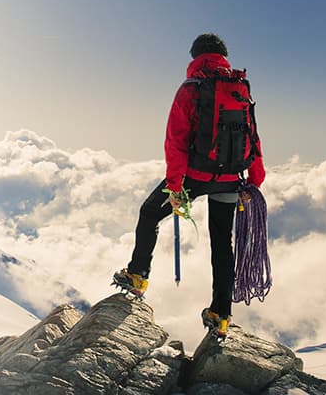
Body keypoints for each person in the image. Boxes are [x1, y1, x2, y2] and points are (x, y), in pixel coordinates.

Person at [112, 33, 266, 339]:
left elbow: (176, 141)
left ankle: (138, 275)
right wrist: (255, 180)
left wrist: (175, 186)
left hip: (195, 175)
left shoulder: (191, 89)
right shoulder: (239, 87)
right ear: (224, 56)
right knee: (223, 244)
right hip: (232, 178)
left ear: (195, 56)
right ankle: (221, 314)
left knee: (149, 213)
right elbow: (253, 135)